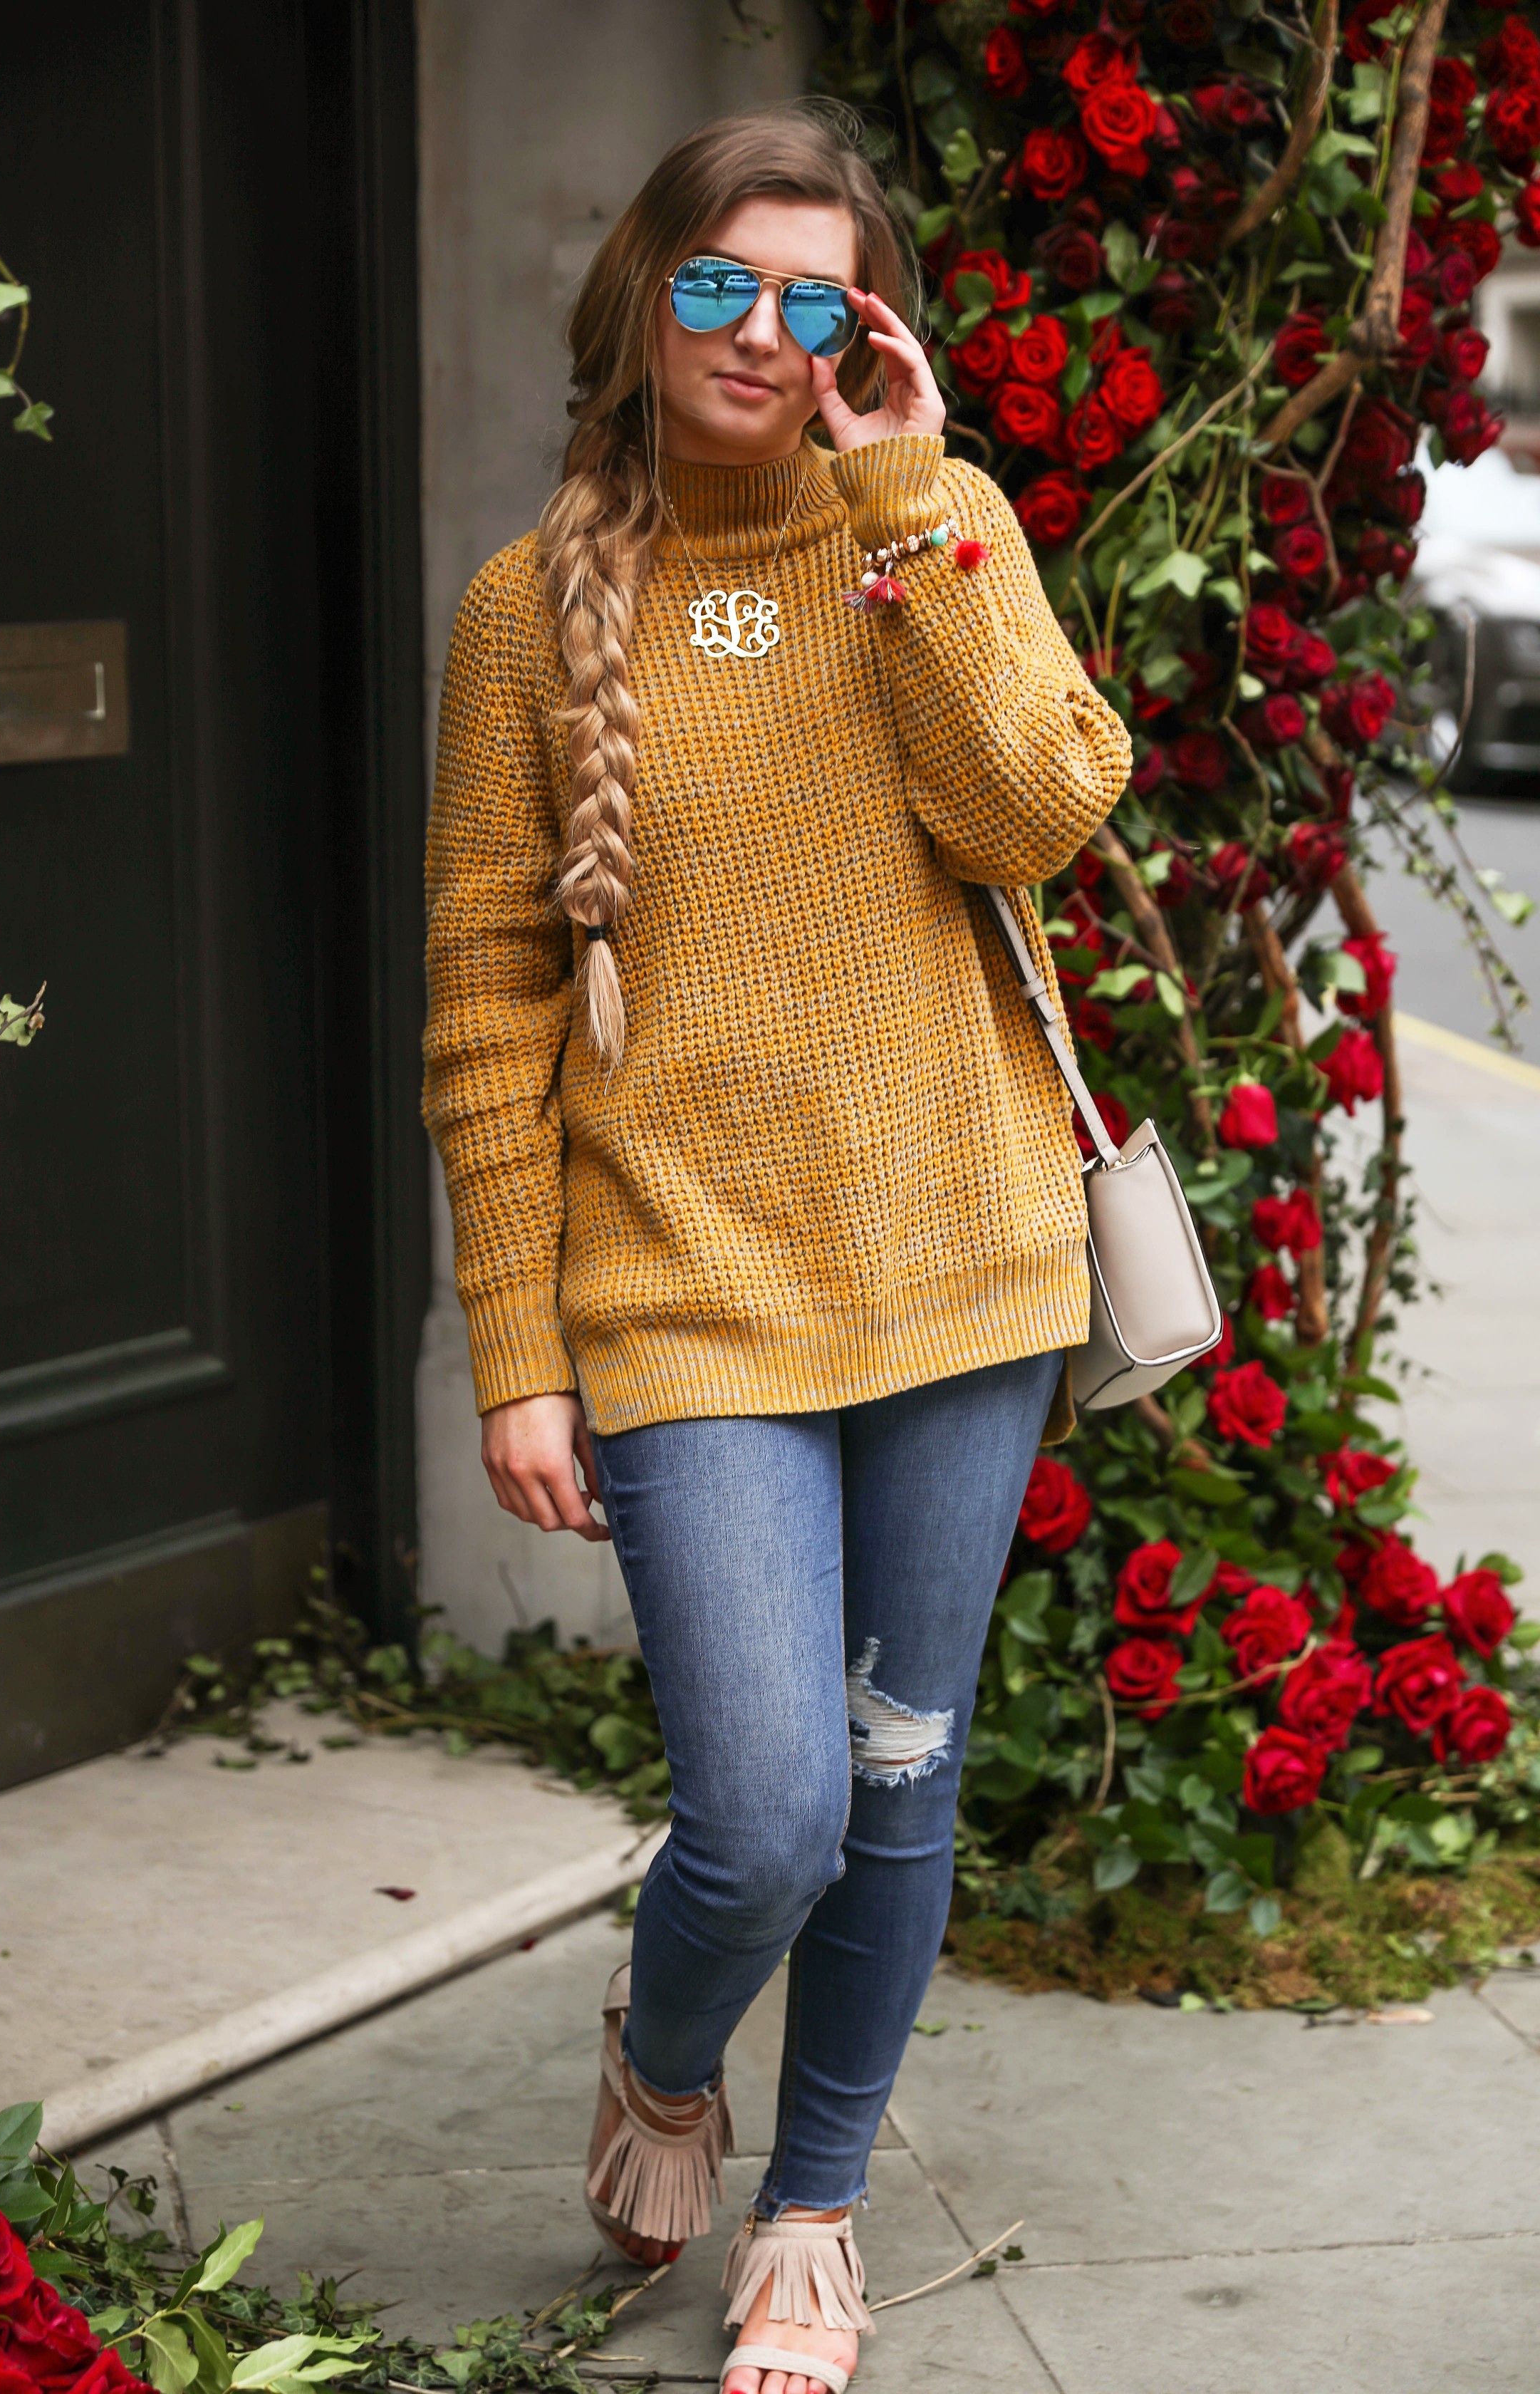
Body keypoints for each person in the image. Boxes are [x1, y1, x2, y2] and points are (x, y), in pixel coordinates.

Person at [423, 101, 1129, 2394]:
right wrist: (514, 1345)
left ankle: (810, 2213)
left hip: (964, 1274)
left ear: (868, 325)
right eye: (721, 284)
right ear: (640, 294)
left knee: (905, 1775)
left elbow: (1038, 807)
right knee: (767, 1804)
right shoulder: (529, 614)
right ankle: (662, 2048)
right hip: (687, 1291)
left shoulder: (936, 526)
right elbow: (484, 1000)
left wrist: (915, 511)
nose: (760, 334)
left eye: (813, 297)